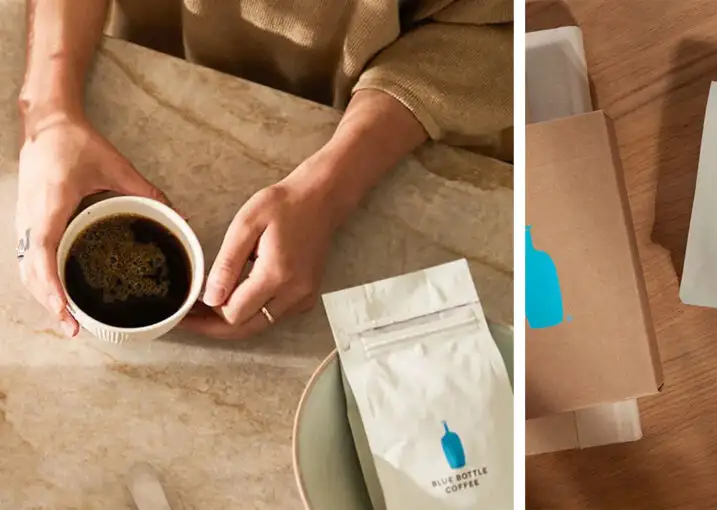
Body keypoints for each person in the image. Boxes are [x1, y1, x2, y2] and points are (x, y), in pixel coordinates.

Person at [17, 0, 511, 339]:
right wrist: (47, 111)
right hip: (130, 63)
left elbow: (489, 28)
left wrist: (331, 186)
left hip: (355, 106)